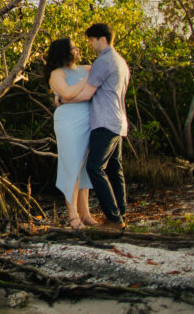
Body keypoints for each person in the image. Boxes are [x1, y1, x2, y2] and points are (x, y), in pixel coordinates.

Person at [81, 22, 130, 231]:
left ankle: (114, 218)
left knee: (94, 167)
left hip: (104, 121)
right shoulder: (121, 62)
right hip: (118, 121)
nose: (91, 45)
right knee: (114, 169)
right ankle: (121, 213)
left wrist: (62, 100)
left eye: (92, 40)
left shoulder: (104, 61)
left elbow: (88, 91)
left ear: (102, 39)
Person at [45, 38, 98, 229]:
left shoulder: (88, 68)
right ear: (64, 52)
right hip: (68, 122)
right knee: (72, 166)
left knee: (85, 166)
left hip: (88, 119)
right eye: (73, 47)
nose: (78, 49)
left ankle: (85, 214)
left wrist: (85, 82)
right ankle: (73, 216)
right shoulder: (57, 74)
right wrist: (86, 81)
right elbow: (66, 94)